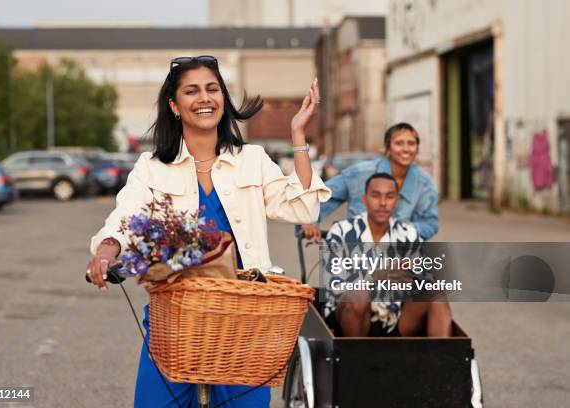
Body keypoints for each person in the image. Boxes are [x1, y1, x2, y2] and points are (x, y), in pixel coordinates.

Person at [86, 55, 330, 407]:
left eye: (212, 89)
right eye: (192, 91)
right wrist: (108, 250)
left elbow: (301, 206)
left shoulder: (252, 159)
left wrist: (298, 135)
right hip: (177, 316)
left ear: (223, 98)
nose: (204, 98)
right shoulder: (152, 168)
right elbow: (125, 217)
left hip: (245, 316)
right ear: (174, 105)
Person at [324, 172, 452, 337]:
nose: (383, 203)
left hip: (395, 317)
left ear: (397, 201)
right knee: (359, 297)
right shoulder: (341, 232)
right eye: (376, 196)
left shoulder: (408, 235)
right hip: (348, 318)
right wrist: (375, 277)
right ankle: (356, 358)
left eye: (389, 197)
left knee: (435, 291)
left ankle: (443, 359)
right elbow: (335, 287)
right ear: (364, 200)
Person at [302, 123, 439, 242]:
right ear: (387, 148)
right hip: (356, 253)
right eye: (399, 143)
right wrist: (309, 222)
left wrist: (400, 232)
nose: (405, 149)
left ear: (417, 148)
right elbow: (320, 197)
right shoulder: (359, 174)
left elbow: (430, 223)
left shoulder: (425, 183)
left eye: (411, 143)